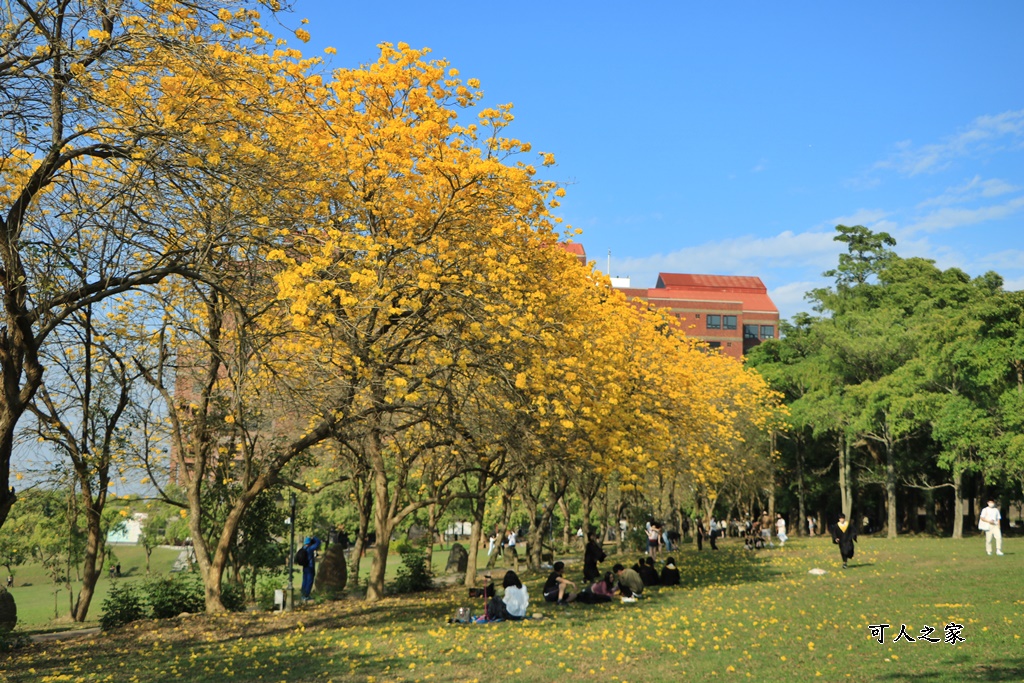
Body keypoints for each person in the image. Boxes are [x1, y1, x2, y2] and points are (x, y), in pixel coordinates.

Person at [299, 536, 322, 600]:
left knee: (304, 580)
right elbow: (318, 542)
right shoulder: (310, 548)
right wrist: (314, 538)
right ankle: (306, 595)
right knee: (309, 581)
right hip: (310, 567)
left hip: (305, 567)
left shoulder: (303, 548)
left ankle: (303, 594)